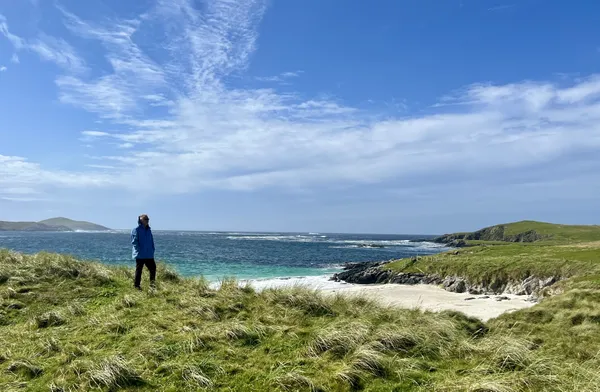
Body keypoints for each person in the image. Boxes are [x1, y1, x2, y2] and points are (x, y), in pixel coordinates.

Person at [131, 214, 156, 290]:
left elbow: (151, 240)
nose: (147, 220)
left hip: (149, 254)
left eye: (147, 219)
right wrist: (139, 250)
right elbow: (134, 242)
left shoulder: (149, 230)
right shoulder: (136, 229)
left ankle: (152, 285)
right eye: (145, 219)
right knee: (139, 270)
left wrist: (152, 249)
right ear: (140, 220)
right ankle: (136, 286)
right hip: (140, 254)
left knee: (153, 268)